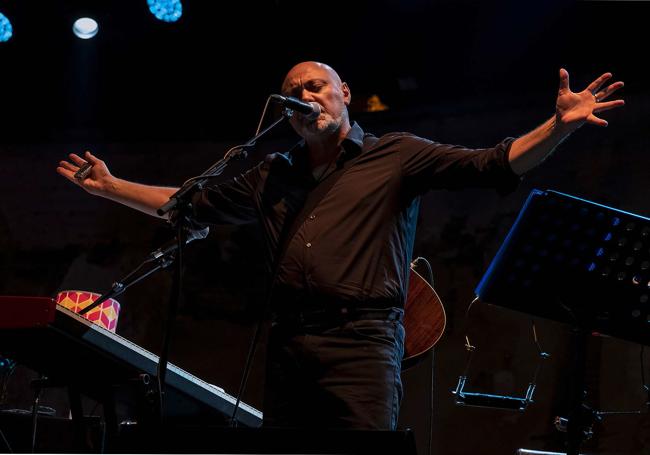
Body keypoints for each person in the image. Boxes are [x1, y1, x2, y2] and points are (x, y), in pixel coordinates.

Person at [57, 61, 624, 430]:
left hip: (362, 345)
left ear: (343, 93)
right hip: (288, 348)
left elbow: (493, 163)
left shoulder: (395, 154)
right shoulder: (270, 174)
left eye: (315, 87)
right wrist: (110, 186)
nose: (305, 97)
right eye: (293, 94)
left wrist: (560, 126)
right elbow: (186, 203)